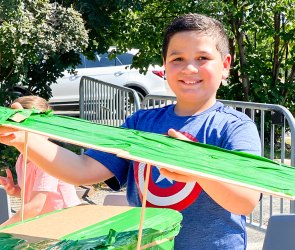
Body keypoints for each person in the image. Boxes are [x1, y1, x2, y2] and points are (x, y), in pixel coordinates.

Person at [0, 14, 261, 249]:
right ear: (165, 66)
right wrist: (27, 139)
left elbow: (245, 201)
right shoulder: (140, 123)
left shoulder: (235, 127)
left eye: (202, 58)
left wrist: (197, 168)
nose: (189, 68)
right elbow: (82, 169)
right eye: (177, 59)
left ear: (225, 65)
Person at [0, 96, 81, 227]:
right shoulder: (22, 158)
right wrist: (15, 190)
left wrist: (4, 228)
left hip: (65, 224)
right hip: (44, 223)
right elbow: (34, 196)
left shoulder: (48, 159)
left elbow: (35, 207)